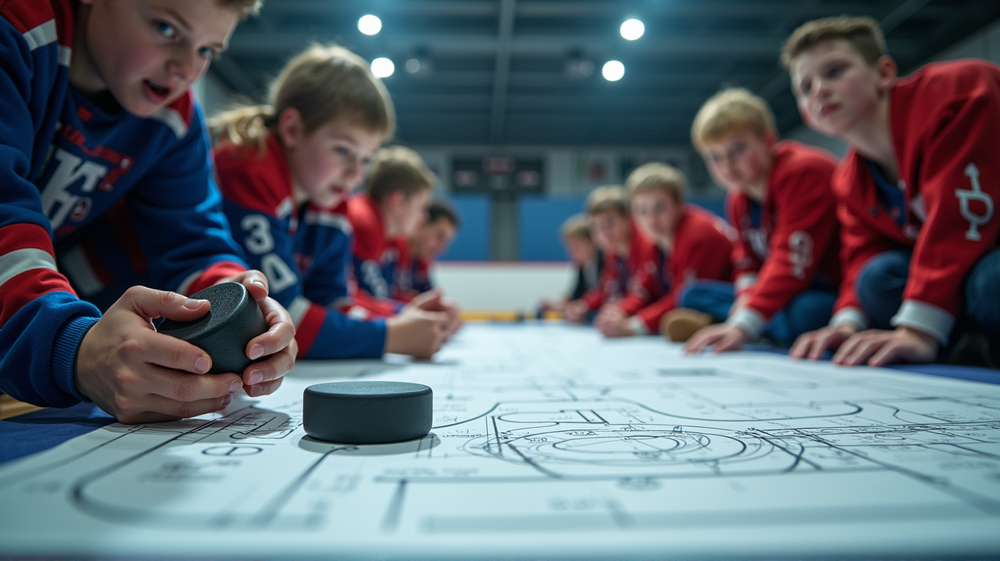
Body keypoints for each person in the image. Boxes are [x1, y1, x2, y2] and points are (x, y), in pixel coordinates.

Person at [0, 0, 297, 424]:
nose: (186, 69)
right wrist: (76, 345)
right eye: (166, 29)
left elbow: (194, 242)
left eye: (207, 51)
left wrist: (241, 302)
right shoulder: (15, 24)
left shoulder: (174, 119)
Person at [783, 16, 1000, 367]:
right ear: (805, 113)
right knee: (877, 277)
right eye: (805, 87)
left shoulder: (957, 91)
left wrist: (919, 330)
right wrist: (847, 323)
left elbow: (962, 217)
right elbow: (862, 256)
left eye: (835, 71)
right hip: (964, 274)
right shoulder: (849, 179)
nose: (819, 90)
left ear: (883, 72)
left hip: (988, 260)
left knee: (992, 281)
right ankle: (961, 352)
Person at [211, 45, 449, 360]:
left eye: (366, 159)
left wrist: (399, 321)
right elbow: (276, 318)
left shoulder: (329, 198)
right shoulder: (250, 166)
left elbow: (333, 300)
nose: (355, 174)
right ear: (293, 129)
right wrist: (390, 335)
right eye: (343, 150)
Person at [677, 87, 841, 353]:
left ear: (768, 141)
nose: (727, 164)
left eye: (737, 149)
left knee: (806, 313)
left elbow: (791, 262)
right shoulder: (738, 198)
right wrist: (744, 304)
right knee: (691, 293)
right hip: (785, 290)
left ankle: (748, 325)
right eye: (714, 156)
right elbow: (747, 263)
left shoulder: (803, 172)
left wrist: (742, 324)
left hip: (825, 286)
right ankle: (757, 323)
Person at [595, 163, 735, 338]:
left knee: (690, 295)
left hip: (736, 298)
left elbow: (679, 297)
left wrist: (635, 326)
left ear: (678, 204)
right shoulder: (655, 242)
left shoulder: (697, 235)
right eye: (641, 210)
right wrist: (619, 313)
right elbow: (644, 292)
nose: (651, 219)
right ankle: (704, 322)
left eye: (660, 207)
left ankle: (712, 322)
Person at [346, 146, 461, 335]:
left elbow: (380, 298)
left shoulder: (386, 235)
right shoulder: (365, 223)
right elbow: (361, 301)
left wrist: (412, 312)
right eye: (421, 208)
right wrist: (411, 313)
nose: (423, 219)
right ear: (397, 201)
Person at [563, 186, 656, 324]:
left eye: (609, 223)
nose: (604, 234)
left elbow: (643, 294)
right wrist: (584, 306)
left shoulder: (647, 244)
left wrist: (617, 311)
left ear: (628, 219)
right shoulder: (612, 253)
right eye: (597, 227)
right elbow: (606, 290)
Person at [395, 199, 461, 302]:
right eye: (439, 237)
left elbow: (431, 299)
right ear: (420, 223)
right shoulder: (389, 254)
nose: (441, 249)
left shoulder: (421, 264)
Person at [539, 214, 603, 317]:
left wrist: (582, 305)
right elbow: (576, 294)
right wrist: (558, 304)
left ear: (592, 242)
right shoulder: (583, 266)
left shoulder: (607, 261)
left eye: (576, 247)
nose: (571, 253)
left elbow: (605, 293)